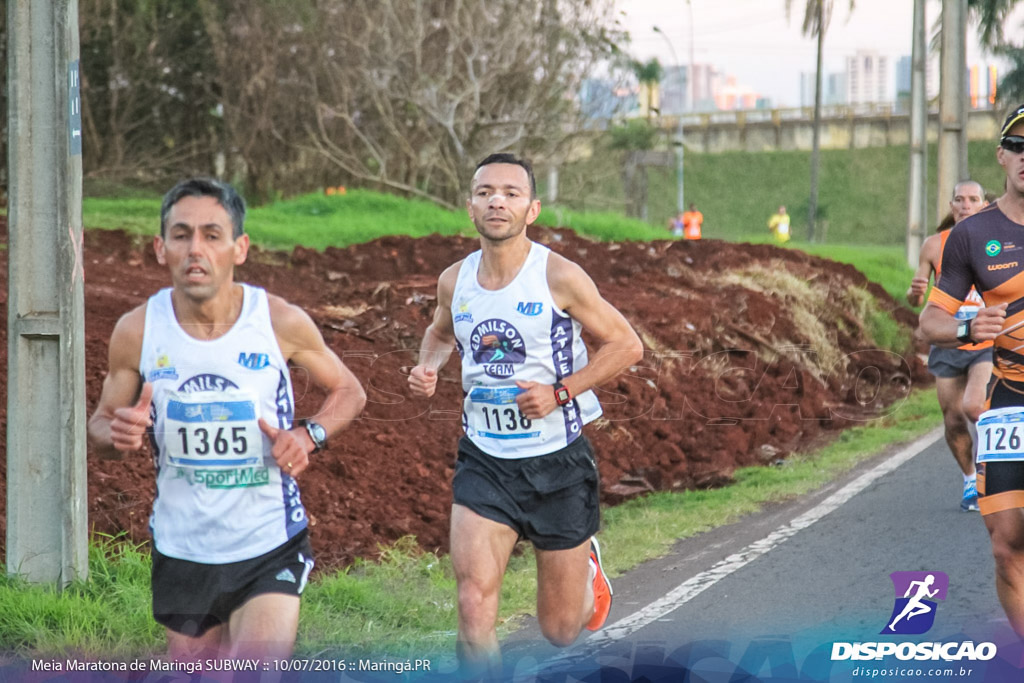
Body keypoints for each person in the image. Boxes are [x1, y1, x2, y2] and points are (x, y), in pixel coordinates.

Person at [87, 178, 367, 661]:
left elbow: (350, 391)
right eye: (181, 234)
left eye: (212, 235)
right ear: (160, 248)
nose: (196, 249)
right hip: (182, 548)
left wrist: (309, 434)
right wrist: (115, 433)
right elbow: (100, 426)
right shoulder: (137, 330)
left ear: (239, 248)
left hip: (268, 543)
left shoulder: (279, 321)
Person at [408, 153, 644, 676]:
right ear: (469, 207)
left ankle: (587, 570)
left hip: (557, 462)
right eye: (486, 191)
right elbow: (441, 333)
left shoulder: (559, 275)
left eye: (511, 193)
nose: (497, 200)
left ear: (531, 209)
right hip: (484, 462)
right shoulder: (455, 280)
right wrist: (427, 367)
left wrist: (561, 393)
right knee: (473, 604)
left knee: (561, 629)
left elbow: (627, 345)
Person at [920, 103, 1024, 636]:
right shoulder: (971, 235)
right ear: (1002, 155)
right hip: (1010, 403)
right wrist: (966, 328)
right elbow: (929, 322)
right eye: (1020, 145)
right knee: (1007, 548)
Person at [907, 180, 991, 512]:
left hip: (986, 340)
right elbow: (917, 300)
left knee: (974, 407)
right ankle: (970, 480)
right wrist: (914, 293)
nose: (965, 204)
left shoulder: (997, 242)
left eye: (973, 199)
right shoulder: (933, 245)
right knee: (953, 417)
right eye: (959, 199)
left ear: (984, 205)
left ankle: (990, 473)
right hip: (947, 340)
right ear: (952, 205)